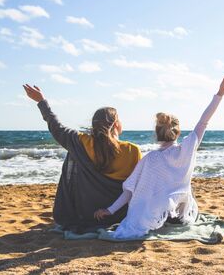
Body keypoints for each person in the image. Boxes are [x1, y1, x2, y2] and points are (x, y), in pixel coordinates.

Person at [94, 74, 224, 238]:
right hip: (181, 219)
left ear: (156, 134)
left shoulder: (150, 159)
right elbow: (203, 121)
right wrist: (220, 95)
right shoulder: (186, 150)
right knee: (186, 198)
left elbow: (130, 191)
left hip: (152, 220)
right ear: (178, 132)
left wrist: (109, 210)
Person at [23, 84, 142, 233]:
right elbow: (138, 186)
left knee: (73, 152)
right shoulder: (132, 150)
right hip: (119, 213)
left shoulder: (80, 141)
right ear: (116, 124)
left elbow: (56, 127)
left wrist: (41, 101)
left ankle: (69, 209)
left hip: (86, 214)